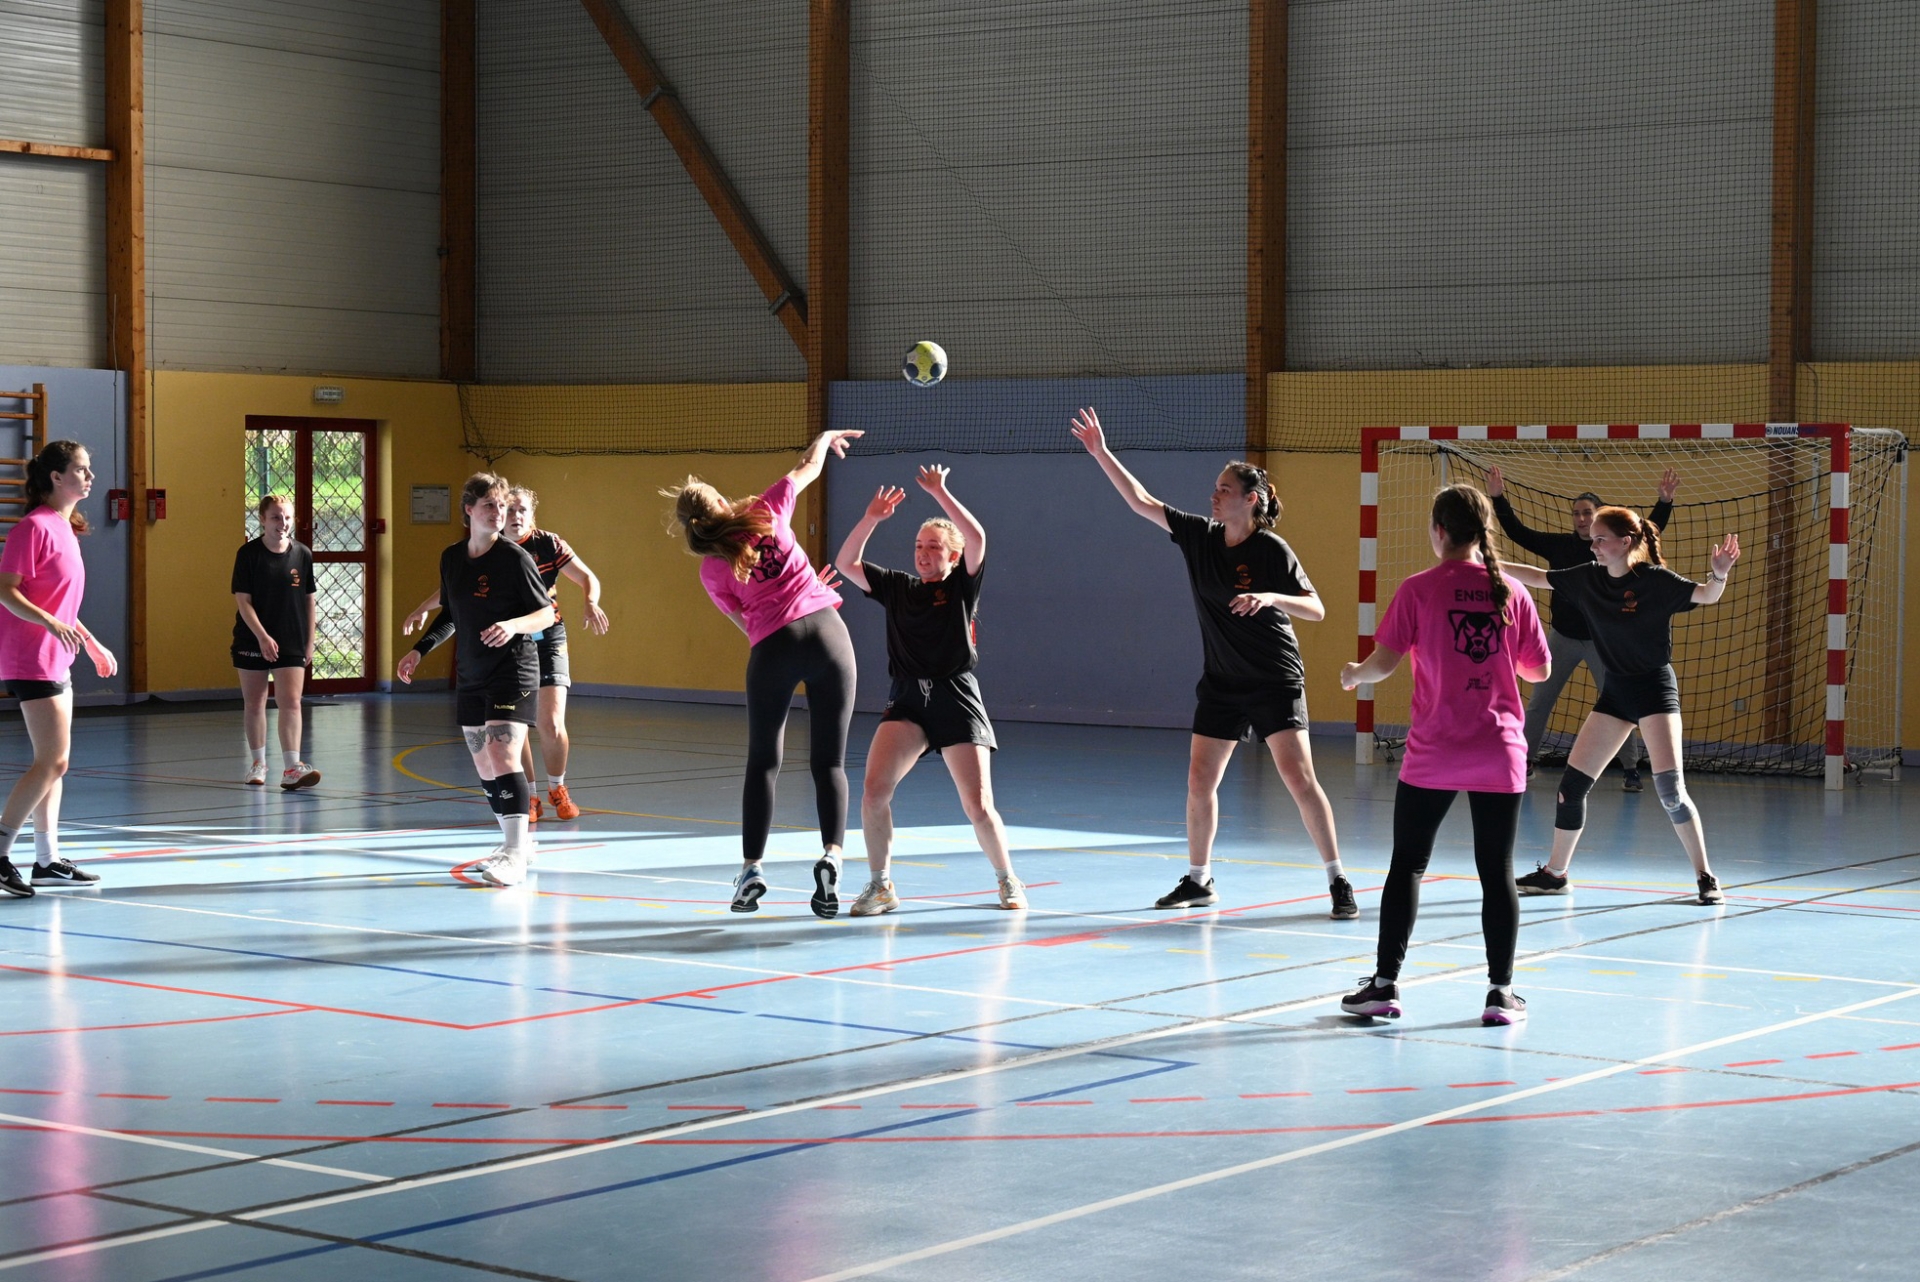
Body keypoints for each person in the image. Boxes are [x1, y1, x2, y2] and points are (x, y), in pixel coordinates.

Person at [1070, 407, 1354, 918]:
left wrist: (1271, 596)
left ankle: (1337, 879)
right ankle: (1199, 880)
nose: (1214, 493)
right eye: (1215, 487)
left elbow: (1316, 608)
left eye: (1224, 488)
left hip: (1273, 678)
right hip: (1223, 681)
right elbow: (1142, 502)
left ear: (1252, 500)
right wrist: (1100, 452)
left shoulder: (1272, 549)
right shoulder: (1200, 536)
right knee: (1200, 781)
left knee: (1298, 778)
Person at [1338, 485, 1552, 1025]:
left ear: (1438, 531)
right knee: (1496, 870)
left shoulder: (1419, 589)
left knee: (1407, 865)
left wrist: (1354, 673)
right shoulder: (1512, 593)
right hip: (1498, 751)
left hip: (1434, 751)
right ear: (1484, 533)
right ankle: (1500, 993)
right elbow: (1539, 670)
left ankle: (1384, 986)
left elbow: (1383, 664)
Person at [664, 430, 861, 918]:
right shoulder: (765, 512)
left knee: (763, 763)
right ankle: (831, 856)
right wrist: (826, 436)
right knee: (829, 762)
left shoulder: (712, 570)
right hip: (828, 634)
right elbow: (808, 467)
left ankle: (752, 869)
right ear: (721, 503)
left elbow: (745, 623)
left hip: (773, 647)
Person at [1501, 507, 1741, 905]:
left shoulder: (1654, 581)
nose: (1593, 545)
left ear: (1625, 542)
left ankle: (1705, 875)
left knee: (1670, 791)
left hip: (1654, 691)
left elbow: (1706, 595)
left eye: (1600, 539)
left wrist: (1719, 573)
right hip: (1616, 693)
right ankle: (1556, 873)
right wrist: (1485, 561)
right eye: (1592, 539)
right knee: (1572, 787)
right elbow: (1537, 577)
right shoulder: (1587, 579)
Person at [833, 465, 1026, 915]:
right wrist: (871, 519)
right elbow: (846, 564)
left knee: (978, 806)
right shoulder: (899, 588)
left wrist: (941, 494)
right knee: (874, 791)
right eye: (919, 546)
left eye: (934, 546)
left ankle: (1007, 879)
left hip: (955, 697)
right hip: (907, 701)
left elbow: (976, 537)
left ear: (952, 556)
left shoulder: (961, 586)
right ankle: (881, 885)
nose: (923, 553)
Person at [404, 488, 610, 823]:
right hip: (510, 642)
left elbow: (586, 577)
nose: (513, 516)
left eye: (520, 510)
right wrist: (421, 613)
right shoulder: (487, 549)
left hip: (546, 634)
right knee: (515, 726)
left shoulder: (545, 545)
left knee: (551, 721)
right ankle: (526, 795)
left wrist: (590, 601)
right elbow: (453, 592)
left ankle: (557, 787)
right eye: (507, 509)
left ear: (532, 515)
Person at [397, 472, 554, 887]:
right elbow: (451, 613)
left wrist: (513, 625)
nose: (498, 512)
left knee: (503, 756)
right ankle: (511, 842)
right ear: (469, 511)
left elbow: (546, 614)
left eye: (502, 506)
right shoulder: (452, 558)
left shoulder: (514, 559)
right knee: (484, 762)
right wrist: (420, 649)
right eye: (489, 505)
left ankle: (518, 853)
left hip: (513, 671)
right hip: (472, 673)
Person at [1487, 466, 1677, 791]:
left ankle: (1631, 769)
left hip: (1603, 642)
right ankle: (1523, 762)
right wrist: (1497, 497)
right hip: (1562, 637)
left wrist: (1664, 502)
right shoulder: (1559, 546)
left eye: (1587, 512)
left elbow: (1647, 532)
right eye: (1576, 513)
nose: (1580, 518)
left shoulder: (1615, 548)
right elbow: (1518, 532)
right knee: (1539, 701)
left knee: (1621, 702)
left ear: (1599, 516)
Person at [0, 441, 116, 898]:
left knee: (55, 764)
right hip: (30, 656)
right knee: (54, 759)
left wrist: (91, 643)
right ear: (55, 476)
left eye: (89, 469)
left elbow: (60, 603)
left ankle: (47, 861)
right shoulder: (33, 528)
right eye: (81, 470)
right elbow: (8, 592)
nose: (89, 477)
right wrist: (49, 623)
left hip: (58, 656)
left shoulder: (66, 528)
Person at [231, 494, 320, 790]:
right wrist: (261, 636)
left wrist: (310, 641)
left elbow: (309, 601)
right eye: (276, 517)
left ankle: (292, 767)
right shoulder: (248, 554)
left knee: (291, 702)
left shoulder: (302, 554)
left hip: (291, 638)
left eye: (287, 518)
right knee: (254, 702)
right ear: (263, 519)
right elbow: (243, 601)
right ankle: (258, 763)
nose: (282, 524)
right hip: (253, 638)